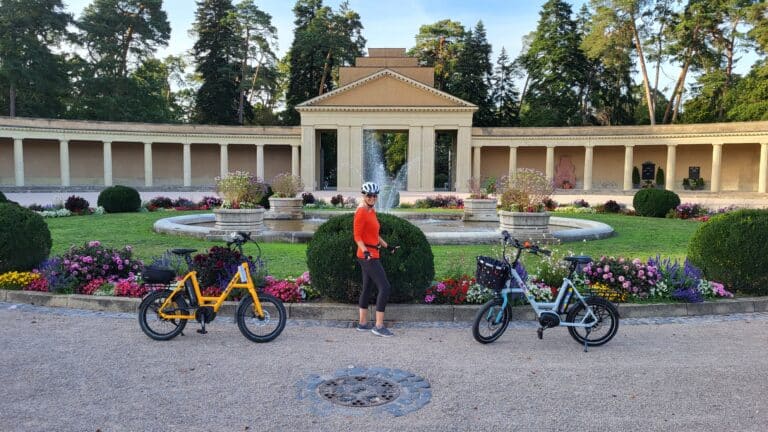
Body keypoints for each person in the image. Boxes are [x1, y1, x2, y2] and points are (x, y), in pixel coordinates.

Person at [353, 182, 395, 337]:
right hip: (367, 256)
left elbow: (374, 234)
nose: (372, 198)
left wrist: (387, 246)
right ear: (363, 195)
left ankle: (362, 324)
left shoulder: (371, 211)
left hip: (372, 253)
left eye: (374, 195)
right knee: (385, 287)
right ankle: (378, 326)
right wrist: (365, 252)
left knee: (367, 288)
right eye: (368, 195)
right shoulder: (361, 212)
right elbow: (357, 236)